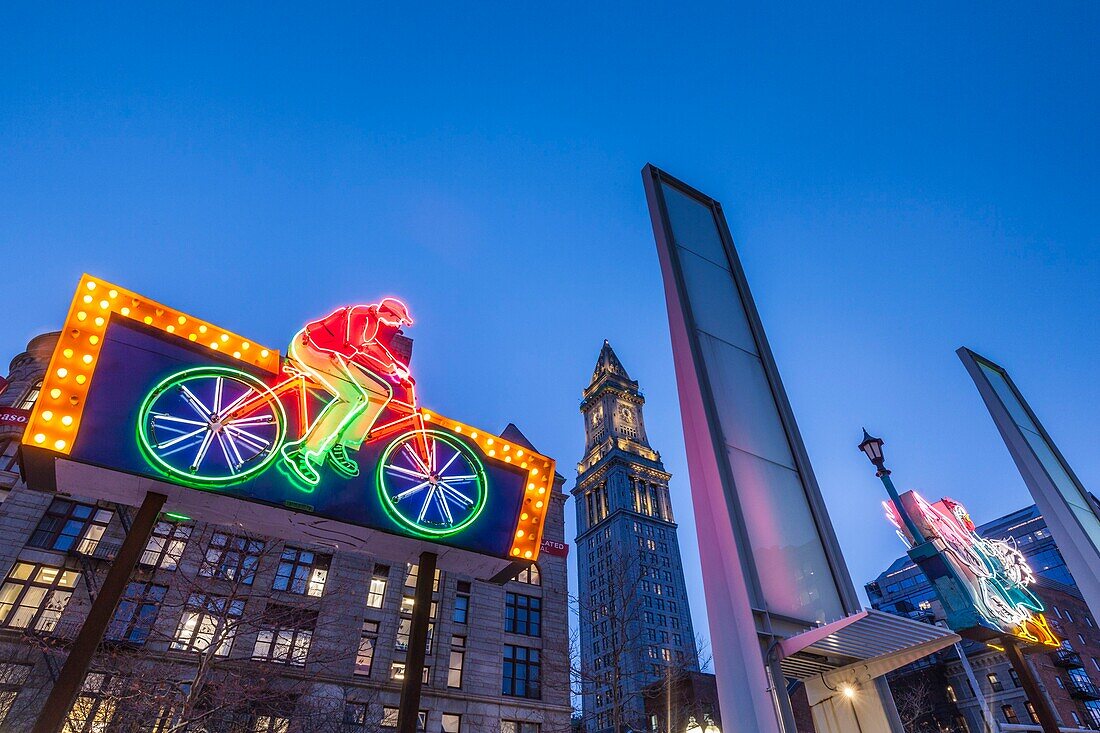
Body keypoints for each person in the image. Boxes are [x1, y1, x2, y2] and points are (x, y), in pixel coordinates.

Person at [280, 298, 413, 485]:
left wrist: (393, 366)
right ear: (389, 313)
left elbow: (371, 346)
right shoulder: (361, 316)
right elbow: (357, 349)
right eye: (398, 320)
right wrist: (388, 367)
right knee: (351, 398)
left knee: (380, 393)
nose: (398, 324)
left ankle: (342, 443)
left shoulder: (373, 321)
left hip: (333, 355)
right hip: (311, 349)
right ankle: (306, 454)